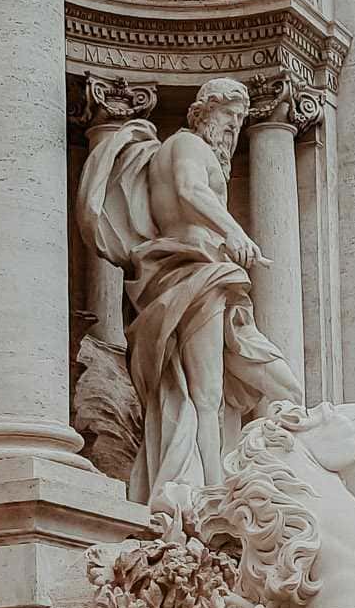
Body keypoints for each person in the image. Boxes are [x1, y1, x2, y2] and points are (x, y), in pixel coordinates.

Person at [76, 78, 302, 498]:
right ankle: (215, 490)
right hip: (191, 272)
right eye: (229, 116)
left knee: (281, 386)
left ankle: (259, 473)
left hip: (207, 274)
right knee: (207, 394)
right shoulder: (187, 146)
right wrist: (235, 232)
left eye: (239, 119)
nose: (234, 126)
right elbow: (189, 188)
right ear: (203, 112)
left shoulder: (190, 150)